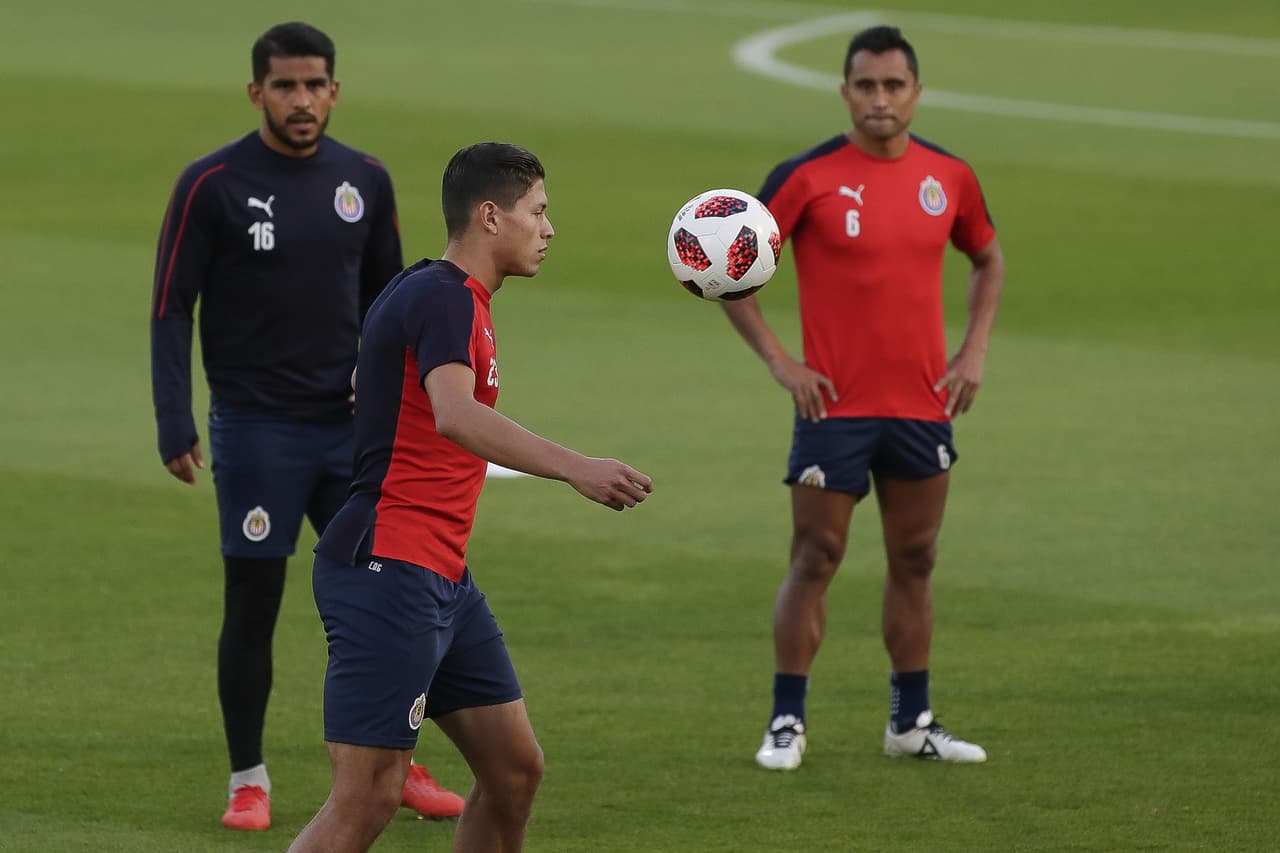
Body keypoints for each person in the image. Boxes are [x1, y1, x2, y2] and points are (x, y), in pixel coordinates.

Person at [285, 142, 653, 853]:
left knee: (514, 771)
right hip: (388, 567)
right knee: (367, 795)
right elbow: (454, 413)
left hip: (443, 577)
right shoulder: (444, 295)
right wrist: (576, 466)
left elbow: (390, 387)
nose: (549, 229)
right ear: (491, 215)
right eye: (538, 211)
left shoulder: (441, 294)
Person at [149, 21, 464, 830]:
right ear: (256, 91)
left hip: (352, 433)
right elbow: (170, 305)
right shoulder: (211, 182)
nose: (301, 100)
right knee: (254, 600)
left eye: (314, 84)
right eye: (284, 85)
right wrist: (173, 417)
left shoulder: (365, 178)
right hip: (257, 430)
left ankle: (402, 759)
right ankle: (248, 777)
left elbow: (394, 306)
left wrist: (404, 409)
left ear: (334, 90)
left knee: (391, 594)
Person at [723, 25, 1006, 770]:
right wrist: (782, 361)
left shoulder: (951, 175)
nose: (880, 99)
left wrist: (974, 346)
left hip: (921, 405)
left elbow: (986, 256)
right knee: (815, 556)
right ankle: (786, 721)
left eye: (893, 85)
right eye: (866, 85)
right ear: (844, 91)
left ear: (916, 92)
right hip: (833, 410)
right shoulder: (806, 176)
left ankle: (910, 721)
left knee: (916, 557)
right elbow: (731, 267)